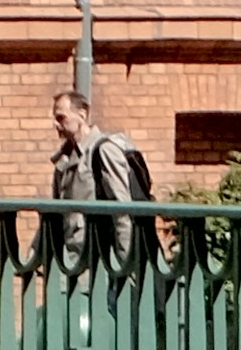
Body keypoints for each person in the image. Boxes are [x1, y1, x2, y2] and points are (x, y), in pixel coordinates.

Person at [47, 74, 158, 258]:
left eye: (61, 118)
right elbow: (54, 214)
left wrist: (126, 265)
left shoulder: (104, 151)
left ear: (81, 115)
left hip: (101, 263)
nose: (55, 124)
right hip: (73, 260)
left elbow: (122, 210)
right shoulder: (64, 158)